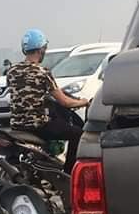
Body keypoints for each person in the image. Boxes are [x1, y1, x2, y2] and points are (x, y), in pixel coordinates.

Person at [7, 29, 89, 172]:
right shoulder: (42, 72)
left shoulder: (11, 71)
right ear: (41, 49)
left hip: (17, 125)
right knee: (78, 134)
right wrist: (83, 102)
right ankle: (69, 173)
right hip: (38, 125)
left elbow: (21, 92)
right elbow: (65, 102)